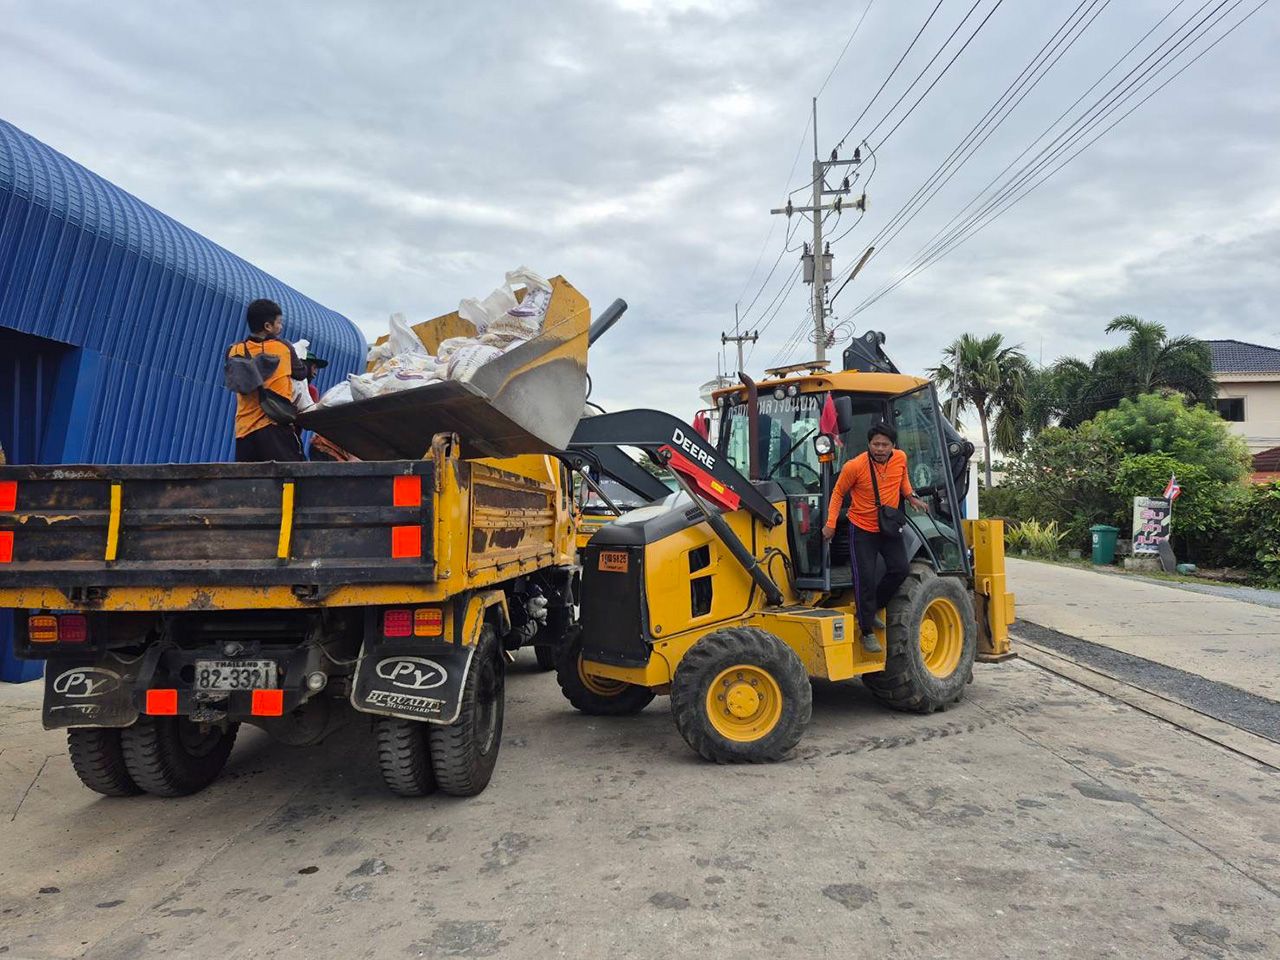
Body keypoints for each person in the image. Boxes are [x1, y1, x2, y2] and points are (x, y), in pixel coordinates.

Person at [822, 422, 929, 653]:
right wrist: (830, 524)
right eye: (875, 444)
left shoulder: (900, 458)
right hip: (861, 529)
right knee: (865, 579)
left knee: (900, 569)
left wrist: (911, 498)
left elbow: (903, 479)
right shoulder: (855, 466)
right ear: (869, 444)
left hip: (888, 527)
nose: (879, 448)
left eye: (884, 444)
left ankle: (874, 608)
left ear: (893, 446)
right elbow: (838, 493)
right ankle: (867, 630)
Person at [227, 299, 306, 462]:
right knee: (289, 478)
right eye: (279, 322)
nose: (281, 327)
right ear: (268, 326)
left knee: (249, 482)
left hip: (244, 430)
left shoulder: (234, 351)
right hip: (274, 425)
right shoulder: (283, 347)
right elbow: (301, 373)